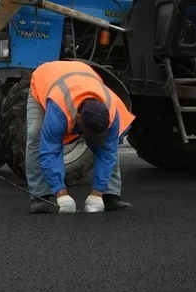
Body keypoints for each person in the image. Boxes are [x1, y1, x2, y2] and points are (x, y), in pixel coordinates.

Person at [26, 60, 137, 214]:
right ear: (78, 117)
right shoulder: (59, 110)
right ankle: (40, 196)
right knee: (36, 135)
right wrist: (61, 193)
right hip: (45, 79)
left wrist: (97, 193)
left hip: (82, 75)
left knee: (110, 143)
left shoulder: (112, 112)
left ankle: (111, 196)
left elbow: (108, 152)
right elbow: (50, 151)